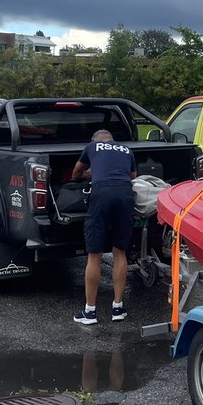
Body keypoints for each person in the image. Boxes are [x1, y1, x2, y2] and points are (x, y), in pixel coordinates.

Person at [72, 129, 137, 325]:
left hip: (101, 194)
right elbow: (133, 175)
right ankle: (118, 307)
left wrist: (92, 174)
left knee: (95, 254)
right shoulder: (126, 149)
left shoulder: (92, 147)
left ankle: (90, 312)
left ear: (95, 140)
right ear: (112, 139)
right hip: (125, 194)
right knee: (120, 251)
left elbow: (76, 173)